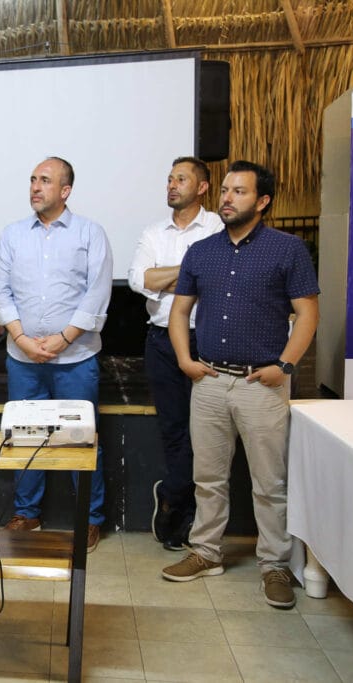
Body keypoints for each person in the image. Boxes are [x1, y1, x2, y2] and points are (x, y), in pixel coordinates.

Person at [160, 160, 319, 610]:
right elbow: (178, 312)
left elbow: (308, 314)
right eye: (225, 190)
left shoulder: (288, 250)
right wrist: (186, 360)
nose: (227, 198)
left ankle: (275, 565)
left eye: (240, 192)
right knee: (207, 477)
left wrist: (285, 367)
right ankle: (206, 552)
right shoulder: (202, 251)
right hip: (208, 380)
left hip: (262, 383)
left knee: (270, 483)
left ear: (263, 201)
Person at [0, 156, 112, 552]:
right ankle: (27, 512)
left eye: (45, 180)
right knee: (25, 437)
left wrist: (64, 337)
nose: (35, 187)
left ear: (65, 190)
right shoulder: (12, 235)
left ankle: (89, 518)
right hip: (23, 358)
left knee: (80, 440)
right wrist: (23, 339)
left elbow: (97, 293)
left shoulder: (91, 233)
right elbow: (1, 291)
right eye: (32, 180)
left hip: (75, 358)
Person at [127, 157, 223, 550]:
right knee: (174, 429)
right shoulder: (154, 231)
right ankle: (181, 515)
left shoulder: (217, 226)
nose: (172, 185)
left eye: (181, 179)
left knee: (206, 433)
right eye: (169, 179)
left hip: (209, 339)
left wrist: (168, 275)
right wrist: (191, 269)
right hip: (162, 341)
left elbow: (215, 274)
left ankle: (172, 494)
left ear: (201, 187)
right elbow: (139, 280)